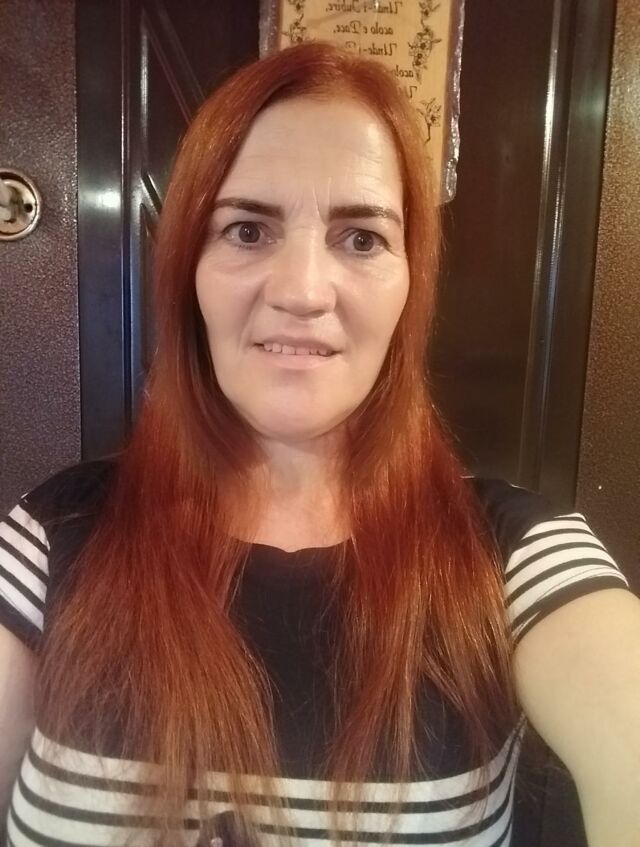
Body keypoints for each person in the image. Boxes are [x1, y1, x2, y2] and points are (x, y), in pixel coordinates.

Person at [0, 40, 638, 847]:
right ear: (188, 268)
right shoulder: (51, 535)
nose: (302, 290)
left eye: (361, 238)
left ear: (411, 284)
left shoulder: (513, 556)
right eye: (247, 230)